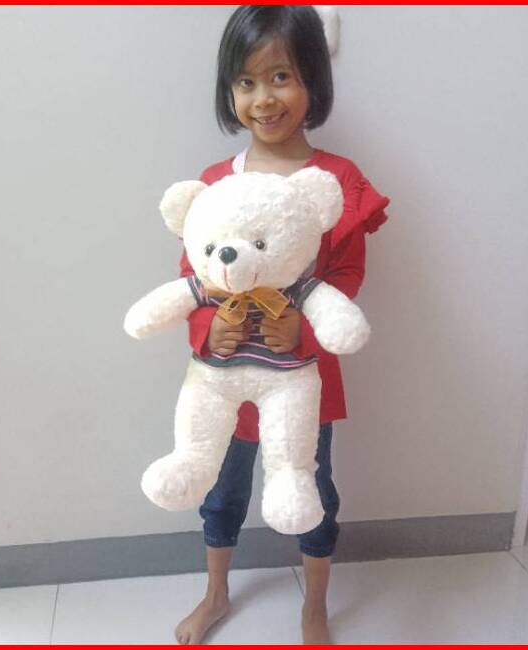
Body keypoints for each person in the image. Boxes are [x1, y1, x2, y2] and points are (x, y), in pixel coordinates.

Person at [174, 6, 389, 645]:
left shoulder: (337, 182)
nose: (263, 98)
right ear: (229, 91)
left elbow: (346, 274)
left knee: (311, 488)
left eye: (280, 77)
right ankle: (216, 592)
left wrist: (305, 329)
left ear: (312, 81)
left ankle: (314, 605)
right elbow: (192, 275)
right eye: (246, 82)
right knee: (221, 489)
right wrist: (206, 331)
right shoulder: (215, 184)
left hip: (301, 383)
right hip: (223, 384)